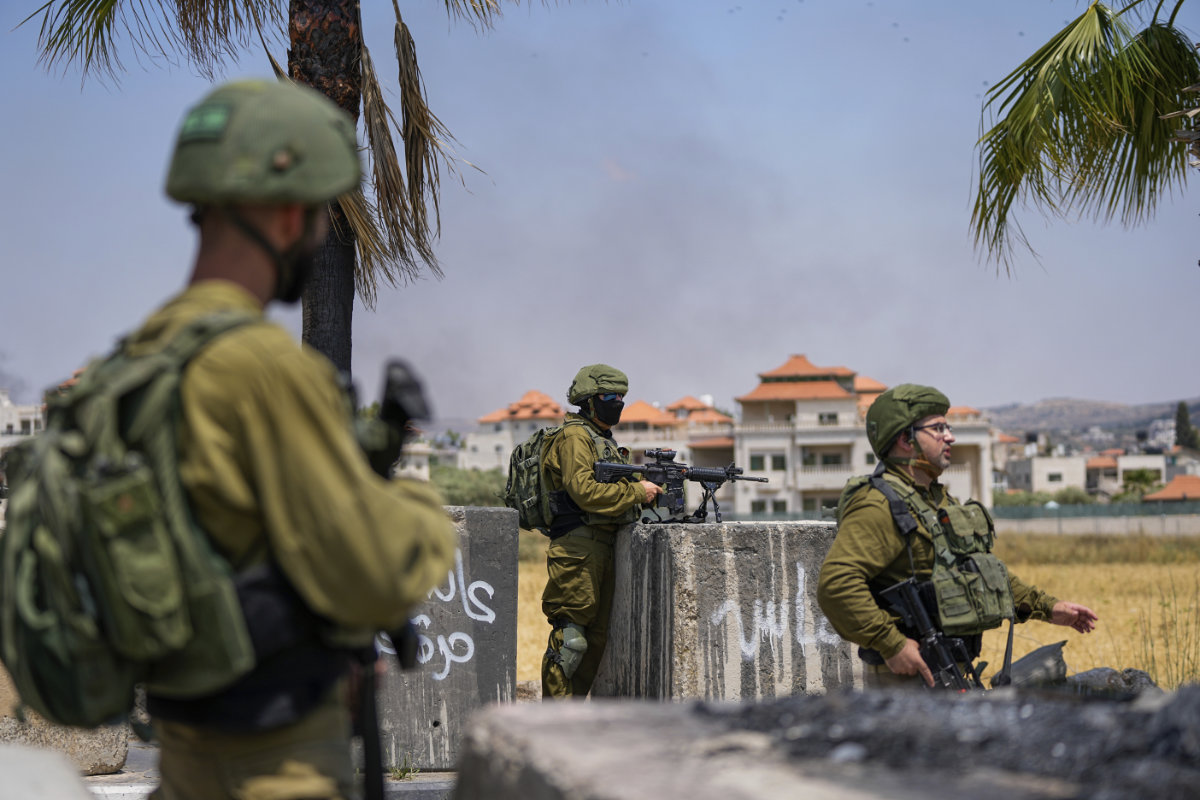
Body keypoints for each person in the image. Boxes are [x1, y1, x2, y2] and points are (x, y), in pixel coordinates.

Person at [137, 79, 457, 799]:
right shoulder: (262, 370)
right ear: (287, 212)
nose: (319, 235)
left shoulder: (143, 357)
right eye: (319, 214)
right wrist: (420, 516)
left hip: (184, 753)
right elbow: (372, 567)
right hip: (274, 765)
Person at [817, 384, 1097, 688]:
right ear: (904, 439)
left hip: (953, 669)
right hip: (907, 680)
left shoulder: (937, 501)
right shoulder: (878, 504)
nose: (949, 436)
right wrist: (891, 644)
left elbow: (985, 573)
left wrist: (1049, 607)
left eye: (947, 427)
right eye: (937, 428)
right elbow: (837, 585)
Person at [540, 364, 663, 698]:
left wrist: (647, 488)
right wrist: (639, 492)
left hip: (603, 545)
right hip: (578, 547)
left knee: (595, 642)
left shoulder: (602, 440)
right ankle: (552, 724)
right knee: (571, 642)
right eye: (610, 396)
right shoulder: (575, 436)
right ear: (590, 401)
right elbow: (583, 491)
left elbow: (611, 490)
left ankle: (572, 719)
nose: (618, 403)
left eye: (622, 397)